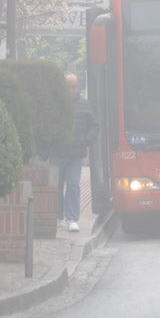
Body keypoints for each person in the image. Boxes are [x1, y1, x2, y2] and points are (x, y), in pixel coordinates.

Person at [51, 73, 99, 233]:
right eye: (68, 87)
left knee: (73, 184)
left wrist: (86, 140)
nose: (71, 90)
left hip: (76, 154)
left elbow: (94, 125)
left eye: (73, 87)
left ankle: (72, 218)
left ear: (77, 87)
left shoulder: (85, 104)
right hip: (57, 153)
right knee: (56, 187)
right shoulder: (55, 104)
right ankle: (58, 216)